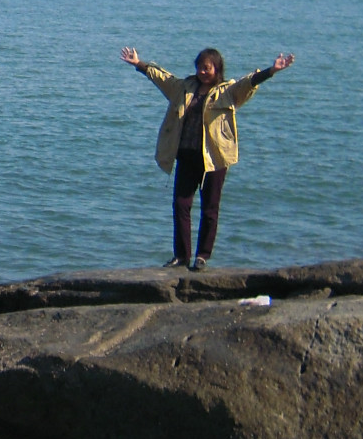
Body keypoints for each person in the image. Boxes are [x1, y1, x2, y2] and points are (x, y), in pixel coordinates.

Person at [118, 45, 295, 271]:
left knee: (210, 208)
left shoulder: (228, 91)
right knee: (181, 205)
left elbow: (249, 82)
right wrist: (139, 64)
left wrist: (271, 71)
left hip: (215, 159)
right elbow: (163, 78)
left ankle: (202, 256)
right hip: (186, 155)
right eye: (200, 67)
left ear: (217, 69)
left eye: (207, 68)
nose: (203, 71)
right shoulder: (184, 88)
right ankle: (181, 256)